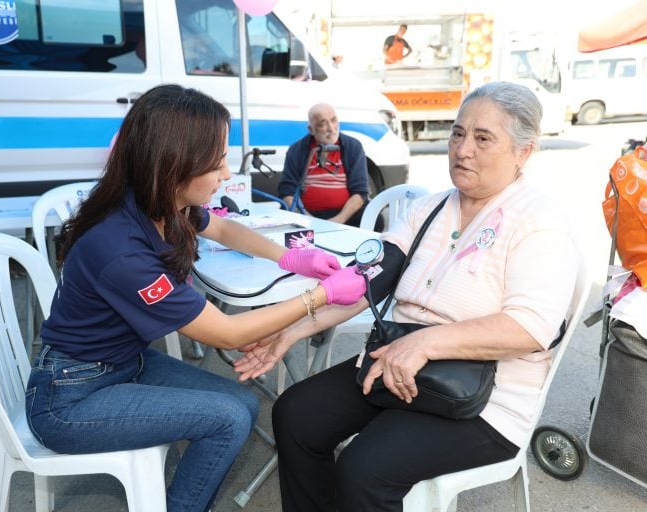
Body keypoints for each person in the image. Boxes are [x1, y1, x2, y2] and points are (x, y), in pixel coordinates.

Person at [235, 81, 580, 511]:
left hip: (487, 395)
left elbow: (530, 327)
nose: (462, 149)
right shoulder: (431, 208)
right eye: (457, 133)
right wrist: (291, 332)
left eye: (483, 138)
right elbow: (369, 281)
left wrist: (423, 342)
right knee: (296, 413)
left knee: (364, 469)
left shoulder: (539, 223)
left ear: (523, 152)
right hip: (399, 361)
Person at [24, 84, 366, 512]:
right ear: (175, 162)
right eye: (217, 159)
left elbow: (224, 228)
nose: (226, 173)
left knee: (243, 402)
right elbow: (224, 332)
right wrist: (323, 295)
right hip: (71, 396)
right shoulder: (120, 249)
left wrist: (293, 258)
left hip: (124, 362)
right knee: (227, 418)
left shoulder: (161, 202)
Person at [278, 103, 371, 227]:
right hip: (306, 214)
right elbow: (287, 192)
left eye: (333, 120)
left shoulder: (353, 146)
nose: (331, 128)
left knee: (374, 218)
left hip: (344, 215)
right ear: (311, 130)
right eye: (323, 124)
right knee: (283, 216)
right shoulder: (296, 150)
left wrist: (338, 220)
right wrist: (307, 220)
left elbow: (360, 192)